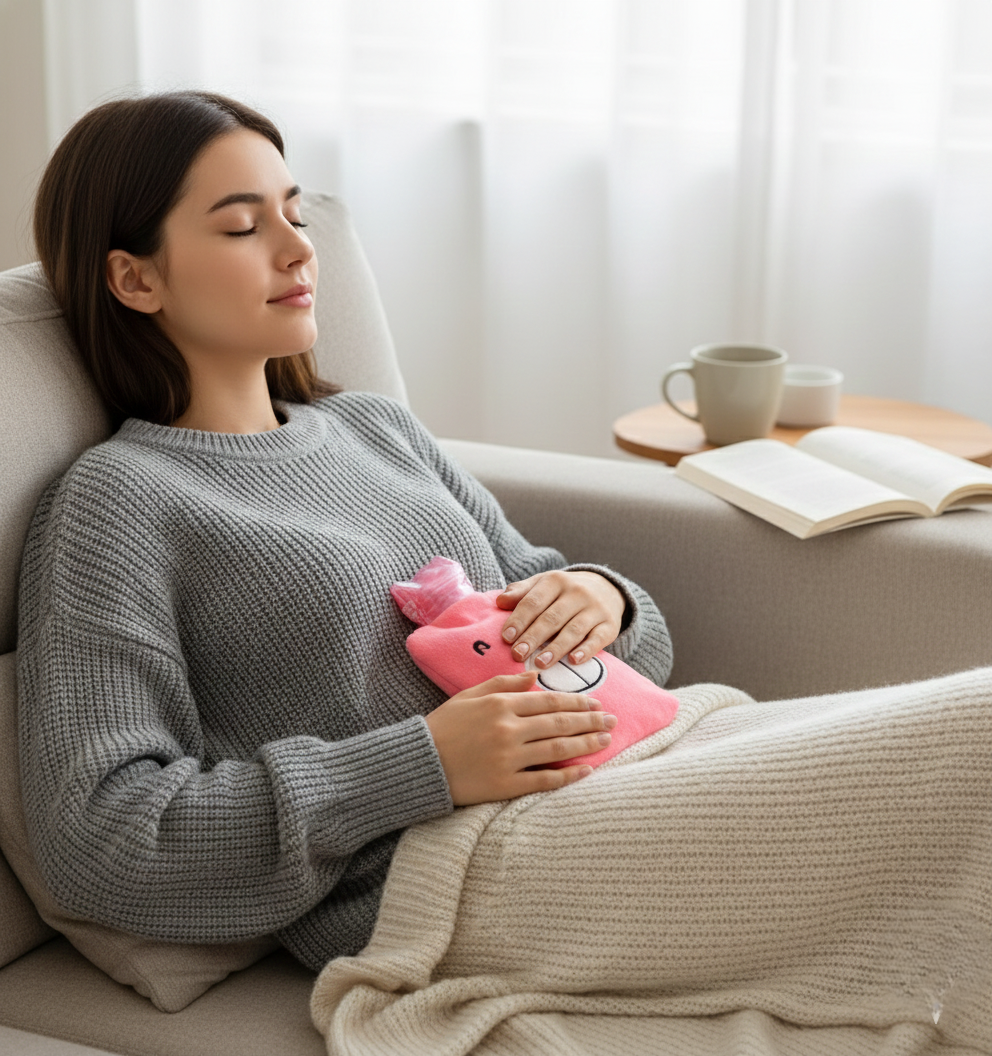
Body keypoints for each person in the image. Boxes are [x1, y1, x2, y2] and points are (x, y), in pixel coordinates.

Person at [18, 91, 674, 972]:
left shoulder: (376, 430)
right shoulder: (118, 503)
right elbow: (103, 841)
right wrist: (424, 764)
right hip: (469, 877)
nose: (298, 248)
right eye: (243, 227)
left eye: (293, 213)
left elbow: (640, 651)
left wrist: (603, 596)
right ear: (137, 278)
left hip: (640, 769)